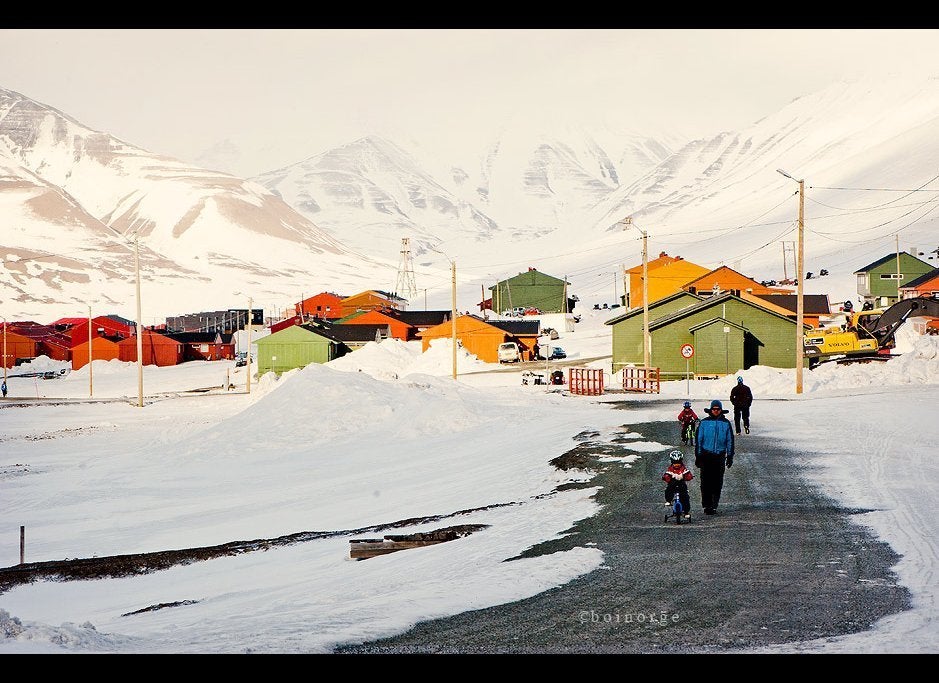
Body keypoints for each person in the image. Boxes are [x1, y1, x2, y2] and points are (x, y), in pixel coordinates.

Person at [694, 399, 735, 515]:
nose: (716, 411)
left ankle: (714, 504)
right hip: (706, 455)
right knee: (706, 482)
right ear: (711, 410)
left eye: (718, 409)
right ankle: (706, 505)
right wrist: (698, 456)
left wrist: (730, 455)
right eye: (714, 409)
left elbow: (729, 441)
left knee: (717, 482)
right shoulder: (704, 423)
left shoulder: (726, 423)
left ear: (721, 410)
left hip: (719, 455)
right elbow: (699, 440)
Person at [662, 449, 693, 519]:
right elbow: (666, 475)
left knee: (685, 497)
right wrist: (666, 477)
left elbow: (688, 475)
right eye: (675, 463)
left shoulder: (683, 469)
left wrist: (687, 476)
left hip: (681, 485)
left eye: (678, 463)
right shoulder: (670, 469)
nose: (677, 465)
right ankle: (668, 500)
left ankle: (686, 512)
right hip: (673, 484)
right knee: (668, 490)